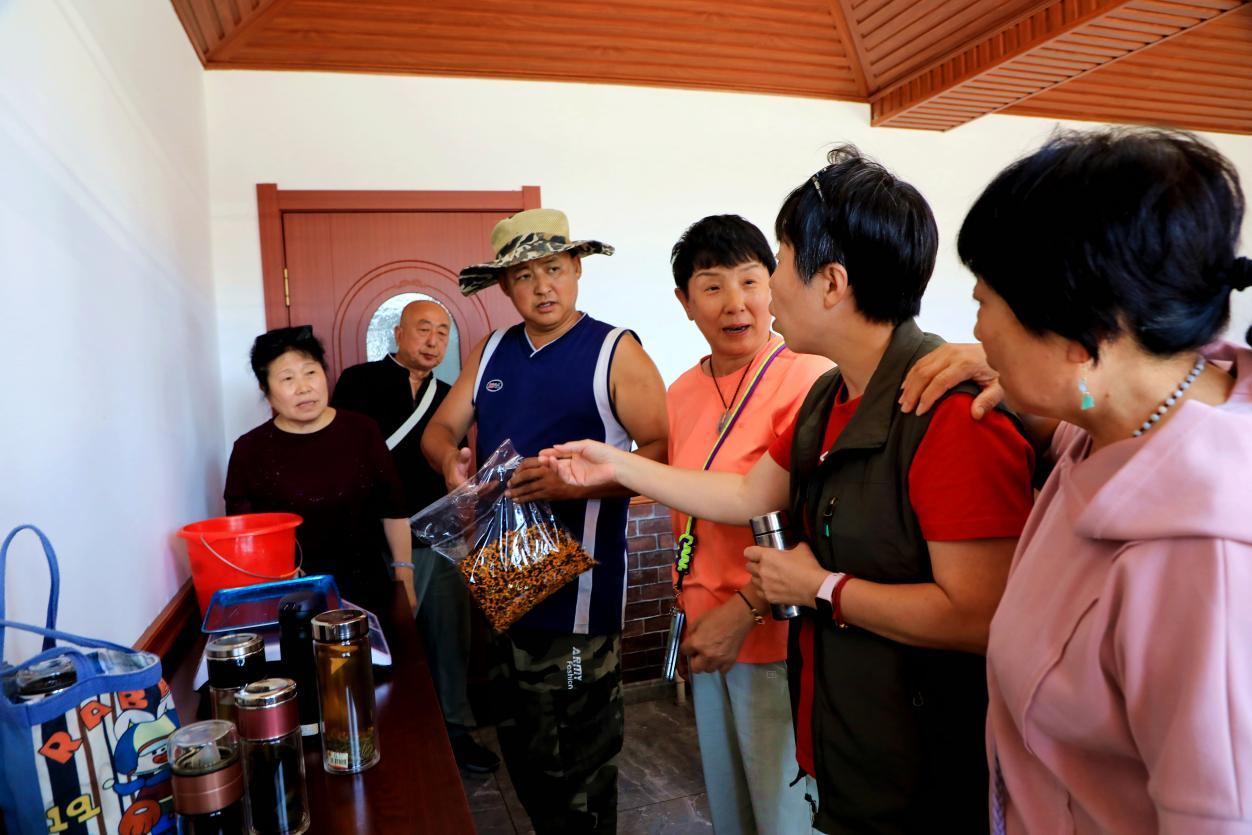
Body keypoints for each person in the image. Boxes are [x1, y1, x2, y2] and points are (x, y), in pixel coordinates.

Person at [540, 147, 1036, 833]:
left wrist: (821, 587)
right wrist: (614, 465)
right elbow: (745, 493)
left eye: (775, 262)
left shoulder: (949, 412)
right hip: (845, 725)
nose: (765, 287)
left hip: (920, 762)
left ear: (831, 283)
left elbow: (980, 617)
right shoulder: (831, 396)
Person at [898, 128, 1252, 832]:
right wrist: (1031, 388)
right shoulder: (1132, 418)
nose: (976, 331)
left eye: (984, 304)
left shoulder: (1203, 565)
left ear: (1080, 340)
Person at [422, 208, 669, 833]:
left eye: (554, 269)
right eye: (525, 276)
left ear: (577, 268)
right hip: (504, 582)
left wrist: (577, 483)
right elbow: (441, 429)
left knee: (581, 764)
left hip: (580, 598)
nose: (543, 287)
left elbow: (662, 454)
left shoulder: (614, 350)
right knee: (525, 747)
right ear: (506, 286)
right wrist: (449, 460)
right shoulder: (491, 350)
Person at [665, 214, 830, 834]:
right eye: (711, 286)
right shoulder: (680, 392)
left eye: (749, 280)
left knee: (786, 816)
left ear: (774, 286)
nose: (734, 302)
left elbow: (821, 526)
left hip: (777, 634)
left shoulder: (810, 375)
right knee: (732, 809)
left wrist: (741, 614)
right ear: (685, 303)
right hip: (707, 631)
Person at [331, 299, 499, 774]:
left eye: (443, 332)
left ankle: (456, 731)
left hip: (438, 534)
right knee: (381, 642)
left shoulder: (449, 396)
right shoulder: (359, 382)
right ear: (398, 334)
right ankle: (388, 736)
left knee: (450, 639)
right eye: (423, 329)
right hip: (373, 540)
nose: (433, 341)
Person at [224, 325, 410, 620]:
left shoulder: (362, 431)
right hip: (288, 599)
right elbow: (243, 535)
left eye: (310, 372)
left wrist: (405, 575)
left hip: (367, 591)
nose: (304, 387)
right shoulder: (249, 450)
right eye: (287, 378)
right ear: (265, 389)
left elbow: (394, 509)